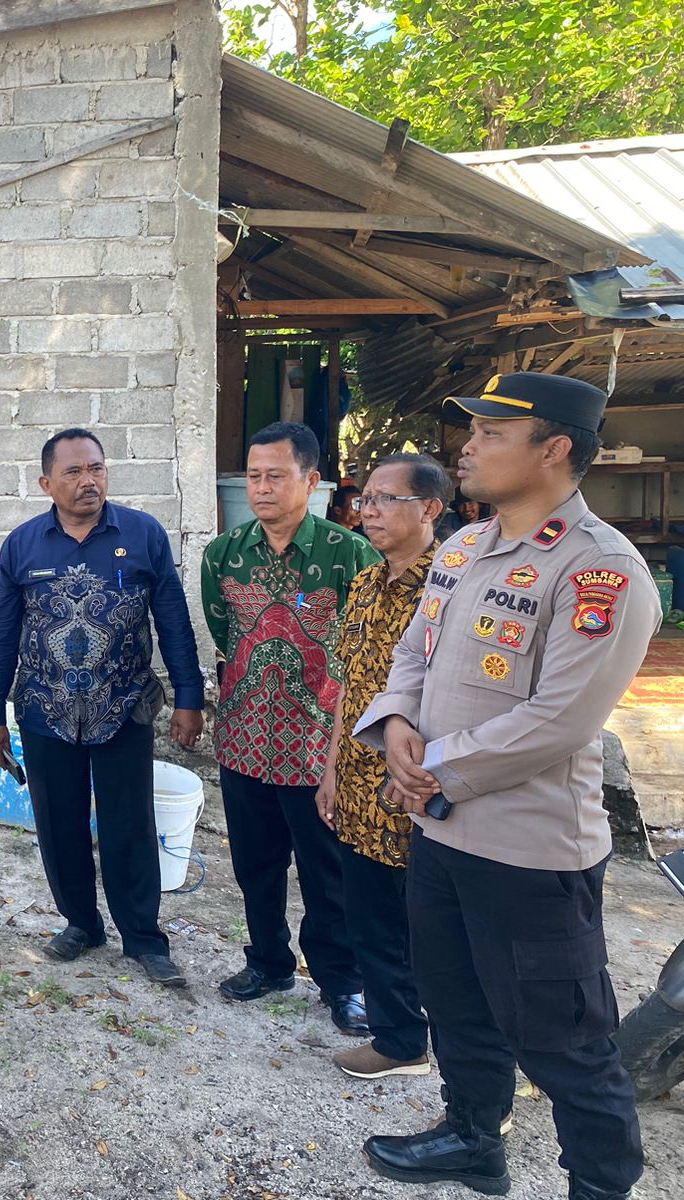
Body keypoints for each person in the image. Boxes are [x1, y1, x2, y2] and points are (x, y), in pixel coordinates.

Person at [354, 373, 659, 1200]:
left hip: (529, 851)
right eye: (475, 430)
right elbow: (412, 654)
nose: (469, 447)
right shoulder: (464, 548)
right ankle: (471, 1139)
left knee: (564, 1038)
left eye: (492, 433)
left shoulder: (600, 570)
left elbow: (561, 720)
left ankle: (600, 1184)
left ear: (554, 449)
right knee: (455, 1003)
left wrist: (433, 767)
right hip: (442, 831)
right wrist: (396, 724)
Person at [0, 428, 205, 985]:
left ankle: (144, 939)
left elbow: (174, 622)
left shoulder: (143, 535)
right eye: (74, 471)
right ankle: (81, 923)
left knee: (130, 825)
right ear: (46, 483)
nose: (89, 481)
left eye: (97, 468)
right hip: (45, 711)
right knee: (59, 825)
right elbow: (2, 636)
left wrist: (189, 698)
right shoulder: (22, 546)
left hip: (123, 707)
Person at [201, 421, 380, 1033]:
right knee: (255, 864)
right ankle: (268, 963)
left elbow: (366, 653)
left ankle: (342, 981)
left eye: (276, 476)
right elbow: (224, 631)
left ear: (311, 481)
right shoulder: (223, 554)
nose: (261, 488)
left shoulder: (349, 554)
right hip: (245, 738)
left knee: (328, 872)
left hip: (318, 748)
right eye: (253, 476)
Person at [315, 454, 450, 1081]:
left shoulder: (452, 587)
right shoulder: (367, 584)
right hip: (358, 783)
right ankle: (399, 1038)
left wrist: (420, 769)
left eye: (385, 499)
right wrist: (331, 770)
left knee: (424, 922)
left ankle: (447, 1040)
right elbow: (349, 686)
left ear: (430, 509)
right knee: (369, 917)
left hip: (418, 785)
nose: (368, 511)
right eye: (364, 499)